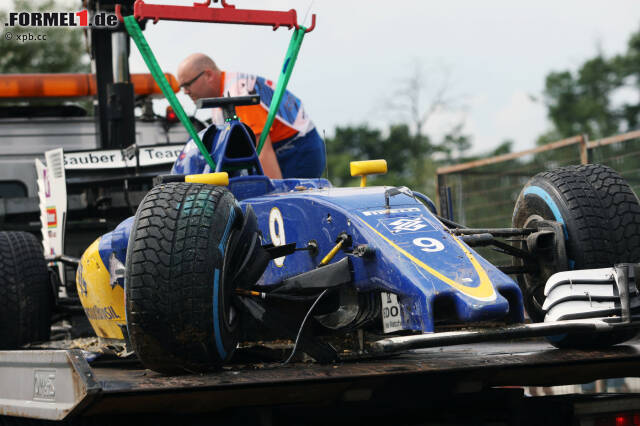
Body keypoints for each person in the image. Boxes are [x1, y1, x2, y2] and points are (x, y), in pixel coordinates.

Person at [175, 53, 326, 179]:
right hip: (288, 146)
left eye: (187, 85)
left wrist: (274, 198)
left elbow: (262, 149)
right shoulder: (224, 94)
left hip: (297, 150)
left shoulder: (238, 94)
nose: (185, 91)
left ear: (208, 75)